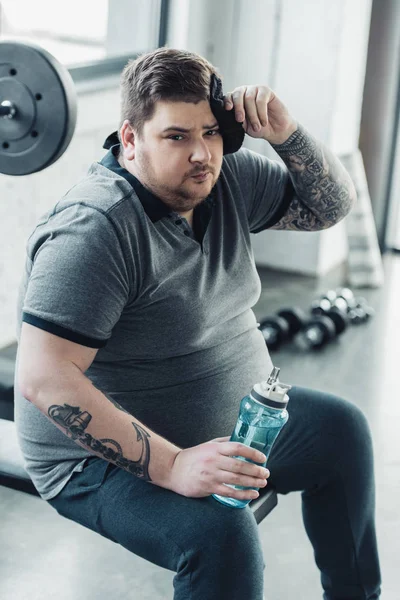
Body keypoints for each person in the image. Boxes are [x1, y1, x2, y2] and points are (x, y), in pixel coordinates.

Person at [15, 47, 381, 600]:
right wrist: (174, 465)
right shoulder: (94, 232)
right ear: (131, 138)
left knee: (340, 431)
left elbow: (329, 207)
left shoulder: (222, 178)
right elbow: (46, 379)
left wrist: (286, 133)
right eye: (176, 136)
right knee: (220, 533)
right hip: (92, 462)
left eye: (210, 133)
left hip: (233, 424)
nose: (200, 154)